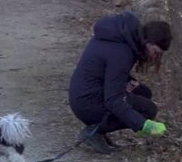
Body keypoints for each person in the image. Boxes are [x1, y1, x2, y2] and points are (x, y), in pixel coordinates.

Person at [68, 11, 172, 154]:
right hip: (87, 103)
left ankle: (100, 131)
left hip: (85, 94)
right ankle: (95, 131)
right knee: (148, 110)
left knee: (143, 92)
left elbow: (106, 71)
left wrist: (127, 81)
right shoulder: (121, 53)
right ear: (148, 42)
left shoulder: (122, 39)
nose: (155, 57)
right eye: (155, 52)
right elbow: (113, 100)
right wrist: (143, 125)